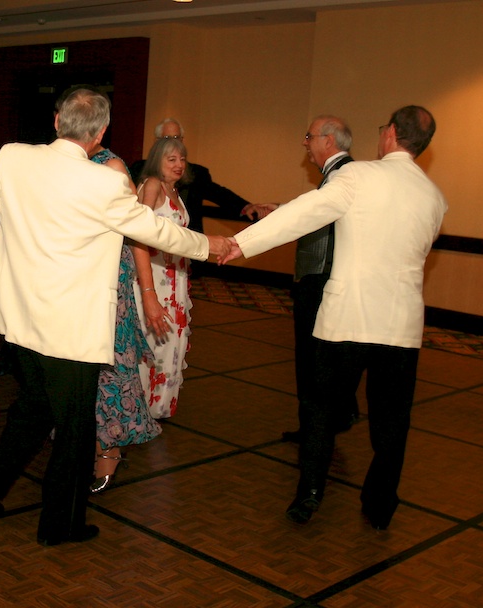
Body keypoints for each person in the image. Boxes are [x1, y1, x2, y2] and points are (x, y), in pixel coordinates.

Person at [0, 88, 233, 546]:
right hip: (71, 332)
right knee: (75, 431)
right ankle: (60, 526)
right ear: (100, 132)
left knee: (33, 408)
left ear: (56, 121)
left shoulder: (15, 159)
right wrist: (211, 245)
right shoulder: (105, 182)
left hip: (18, 324)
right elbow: (156, 230)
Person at [222, 106, 447, 529]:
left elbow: (306, 212)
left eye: (383, 129)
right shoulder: (436, 197)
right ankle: (380, 505)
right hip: (401, 326)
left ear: (391, 134)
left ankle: (309, 495)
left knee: (321, 411)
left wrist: (241, 243)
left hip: (346, 317)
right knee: (391, 421)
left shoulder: (358, 176)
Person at [281, 116, 358, 444]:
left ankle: (317, 426)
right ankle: (336, 415)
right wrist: (281, 209)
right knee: (327, 357)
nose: (304, 142)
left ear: (328, 140)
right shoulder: (341, 174)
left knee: (312, 359)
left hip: (320, 282)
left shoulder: (341, 175)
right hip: (326, 281)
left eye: (309, 136)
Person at [88, 143, 161, 493]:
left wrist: (148, 294)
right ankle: (87, 441)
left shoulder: (112, 166)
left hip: (108, 282)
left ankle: (110, 448)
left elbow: (137, 232)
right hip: (71, 280)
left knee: (110, 366)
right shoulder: (56, 161)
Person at [131, 137, 197, 420]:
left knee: (171, 341)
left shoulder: (175, 191)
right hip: (154, 276)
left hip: (175, 278)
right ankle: (137, 409)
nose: (178, 165)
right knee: (151, 341)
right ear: (157, 161)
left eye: (182, 159)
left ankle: (156, 408)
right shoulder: (153, 185)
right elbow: (138, 230)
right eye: (171, 160)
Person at [129, 118, 266, 234]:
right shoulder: (140, 170)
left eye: (177, 138)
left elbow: (219, 194)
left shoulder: (195, 173)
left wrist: (246, 206)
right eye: (167, 138)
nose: (173, 142)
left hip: (188, 253)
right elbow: (140, 221)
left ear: (182, 140)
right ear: (156, 142)